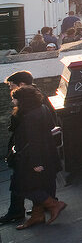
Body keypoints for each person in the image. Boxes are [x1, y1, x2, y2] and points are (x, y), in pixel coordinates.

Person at [1, 72, 57, 226]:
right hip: (35, 150)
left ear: (21, 85)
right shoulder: (34, 99)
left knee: (20, 182)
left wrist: (36, 159)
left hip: (29, 152)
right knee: (38, 180)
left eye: (12, 86)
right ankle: (43, 207)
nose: (10, 91)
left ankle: (20, 210)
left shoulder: (32, 104)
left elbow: (34, 133)